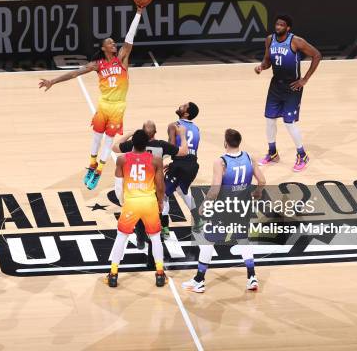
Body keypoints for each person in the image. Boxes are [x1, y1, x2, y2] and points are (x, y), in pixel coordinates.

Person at [39, 7, 145, 191]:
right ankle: (92, 166)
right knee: (96, 138)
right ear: (104, 48)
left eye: (114, 43)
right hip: (104, 104)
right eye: (110, 43)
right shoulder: (98, 64)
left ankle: (98, 172)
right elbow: (74, 74)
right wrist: (53, 81)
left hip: (118, 106)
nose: (114, 45)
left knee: (109, 141)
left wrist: (138, 14)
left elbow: (130, 37)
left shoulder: (122, 58)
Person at [182, 129, 265, 293]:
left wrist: (204, 205)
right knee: (242, 239)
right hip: (242, 206)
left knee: (208, 241)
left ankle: (199, 280)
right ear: (239, 142)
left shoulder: (221, 162)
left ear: (225, 143)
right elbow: (261, 180)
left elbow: (215, 189)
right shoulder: (249, 157)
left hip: (225, 208)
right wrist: (257, 192)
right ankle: (251, 277)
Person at [255, 15, 322, 172]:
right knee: (269, 120)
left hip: (292, 87)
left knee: (288, 122)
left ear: (288, 27)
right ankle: (272, 153)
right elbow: (267, 61)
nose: (278, 27)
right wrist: (261, 67)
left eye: (281, 25)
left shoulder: (296, 41)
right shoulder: (269, 40)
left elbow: (317, 55)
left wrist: (304, 79)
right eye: (277, 24)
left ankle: (302, 155)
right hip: (275, 85)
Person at [106, 130, 167, 287]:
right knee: (155, 237)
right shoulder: (156, 160)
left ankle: (113, 274)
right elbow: (160, 186)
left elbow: (118, 186)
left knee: (121, 237)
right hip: (149, 202)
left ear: (132, 143)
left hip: (131, 202)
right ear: (146, 144)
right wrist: (161, 202)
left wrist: (122, 202)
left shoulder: (121, 159)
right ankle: (160, 273)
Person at [113, 120, 188, 246]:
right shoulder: (161, 145)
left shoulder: (134, 144)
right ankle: (162, 231)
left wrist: (130, 133)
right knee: (161, 207)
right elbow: (183, 152)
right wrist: (182, 135)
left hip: (138, 184)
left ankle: (141, 239)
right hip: (155, 183)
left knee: (139, 213)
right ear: (155, 132)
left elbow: (115, 147)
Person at [162, 102, 201, 239]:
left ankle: (164, 227)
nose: (180, 106)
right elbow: (192, 150)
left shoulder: (174, 126)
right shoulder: (196, 129)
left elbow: (171, 148)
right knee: (182, 190)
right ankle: (199, 219)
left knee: (163, 194)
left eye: (183, 106)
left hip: (181, 164)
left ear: (186, 113)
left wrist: (156, 157)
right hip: (193, 165)